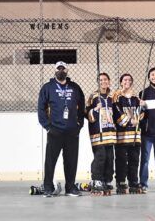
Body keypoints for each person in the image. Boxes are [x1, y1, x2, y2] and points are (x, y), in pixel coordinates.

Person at [37, 61, 85, 197]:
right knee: (50, 161)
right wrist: (47, 126)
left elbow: (82, 106)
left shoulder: (75, 87)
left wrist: (79, 124)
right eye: (59, 68)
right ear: (54, 71)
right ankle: (48, 187)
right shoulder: (48, 87)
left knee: (71, 161)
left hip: (72, 131)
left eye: (63, 69)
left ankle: (70, 188)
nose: (61, 71)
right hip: (55, 131)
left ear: (67, 71)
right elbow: (41, 108)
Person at [85, 72, 117, 196]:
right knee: (100, 156)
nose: (103, 82)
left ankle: (107, 179)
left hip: (110, 133)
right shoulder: (93, 97)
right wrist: (95, 109)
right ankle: (97, 179)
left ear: (109, 82)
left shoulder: (112, 97)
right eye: (101, 80)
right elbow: (86, 112)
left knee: (110, 157)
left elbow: (116, 112)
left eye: (105, 80)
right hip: (98, 133)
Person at [112, 73, 144, 194]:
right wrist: (130, 120)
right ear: (121, 82)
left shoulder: (136, 98)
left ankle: (133, 181)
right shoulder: (117, 96)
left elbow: (141, 113)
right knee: (121, 160)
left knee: (134, 159)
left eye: (129, 80)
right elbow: (117, 113)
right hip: (122, 136)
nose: (127, 82)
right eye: (125, 80)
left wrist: (142, 110)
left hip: (135, 136)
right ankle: (120, 181)